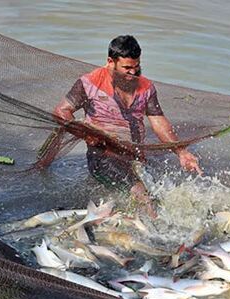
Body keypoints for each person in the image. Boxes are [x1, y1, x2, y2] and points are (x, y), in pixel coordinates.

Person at [52, 35, 201, 207]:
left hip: (135, 157)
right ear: (110, 62)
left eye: (136, 67)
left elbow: (159, 122)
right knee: (144, 197)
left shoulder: (146, 87)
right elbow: (61, 111)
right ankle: (156, 233)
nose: (133, 73)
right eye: (127, 68)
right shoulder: (89, 83)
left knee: (165, 195)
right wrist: (87, 135)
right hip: (103, 157)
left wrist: (181, 152)